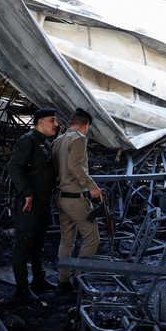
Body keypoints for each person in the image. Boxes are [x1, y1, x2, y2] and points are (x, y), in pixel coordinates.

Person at [6, 107, 59, 300]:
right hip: (28, 203)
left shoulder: (44, 142)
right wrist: (27, 193)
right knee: (23, 243)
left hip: (42, 201)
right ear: (40, 122)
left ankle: (38, 280)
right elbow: (13, 167)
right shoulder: (27, 141)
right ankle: (22, 288)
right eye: (52, 120)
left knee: (38, 244)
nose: (56, 124)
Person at [51, 107, 102, 291]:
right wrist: (92, 186)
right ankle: (81, 280)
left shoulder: (59, 140)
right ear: (86, 125)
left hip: (61, 197)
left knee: (67, 240)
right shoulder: (79, 139)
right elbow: (74, 165)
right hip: (75, 198)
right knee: (92, 238)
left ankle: (63, 281)